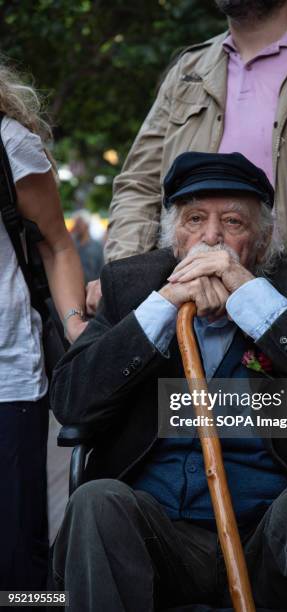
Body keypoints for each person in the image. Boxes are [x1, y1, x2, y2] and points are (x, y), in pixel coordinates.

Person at [51, 152, 287, 612]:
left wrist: (252, 300)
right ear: (173, 238)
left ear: (263, 241)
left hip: (269, 538)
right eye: (194, 220)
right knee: (95, 500)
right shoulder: (130, 287)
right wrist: (164, 305)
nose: (211, 238)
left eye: (232, 223)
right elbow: (71, 402)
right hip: (155, 541)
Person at [88, 0, 287, 360]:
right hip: (193, 326)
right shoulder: (189, 71)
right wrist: (131, 290)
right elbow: (139, 185)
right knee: (184, 418)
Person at [0, 63, 86, 589]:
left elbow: (57, 244)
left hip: (7, 381)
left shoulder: (9, 145)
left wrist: (78, 333)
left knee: (17, 563)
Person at [71, 209, 104, 283]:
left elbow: (101, 269)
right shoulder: (72, 245)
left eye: (79, 223)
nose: (77, 225)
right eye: (76, 223)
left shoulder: (97, 246)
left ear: (87, 224)